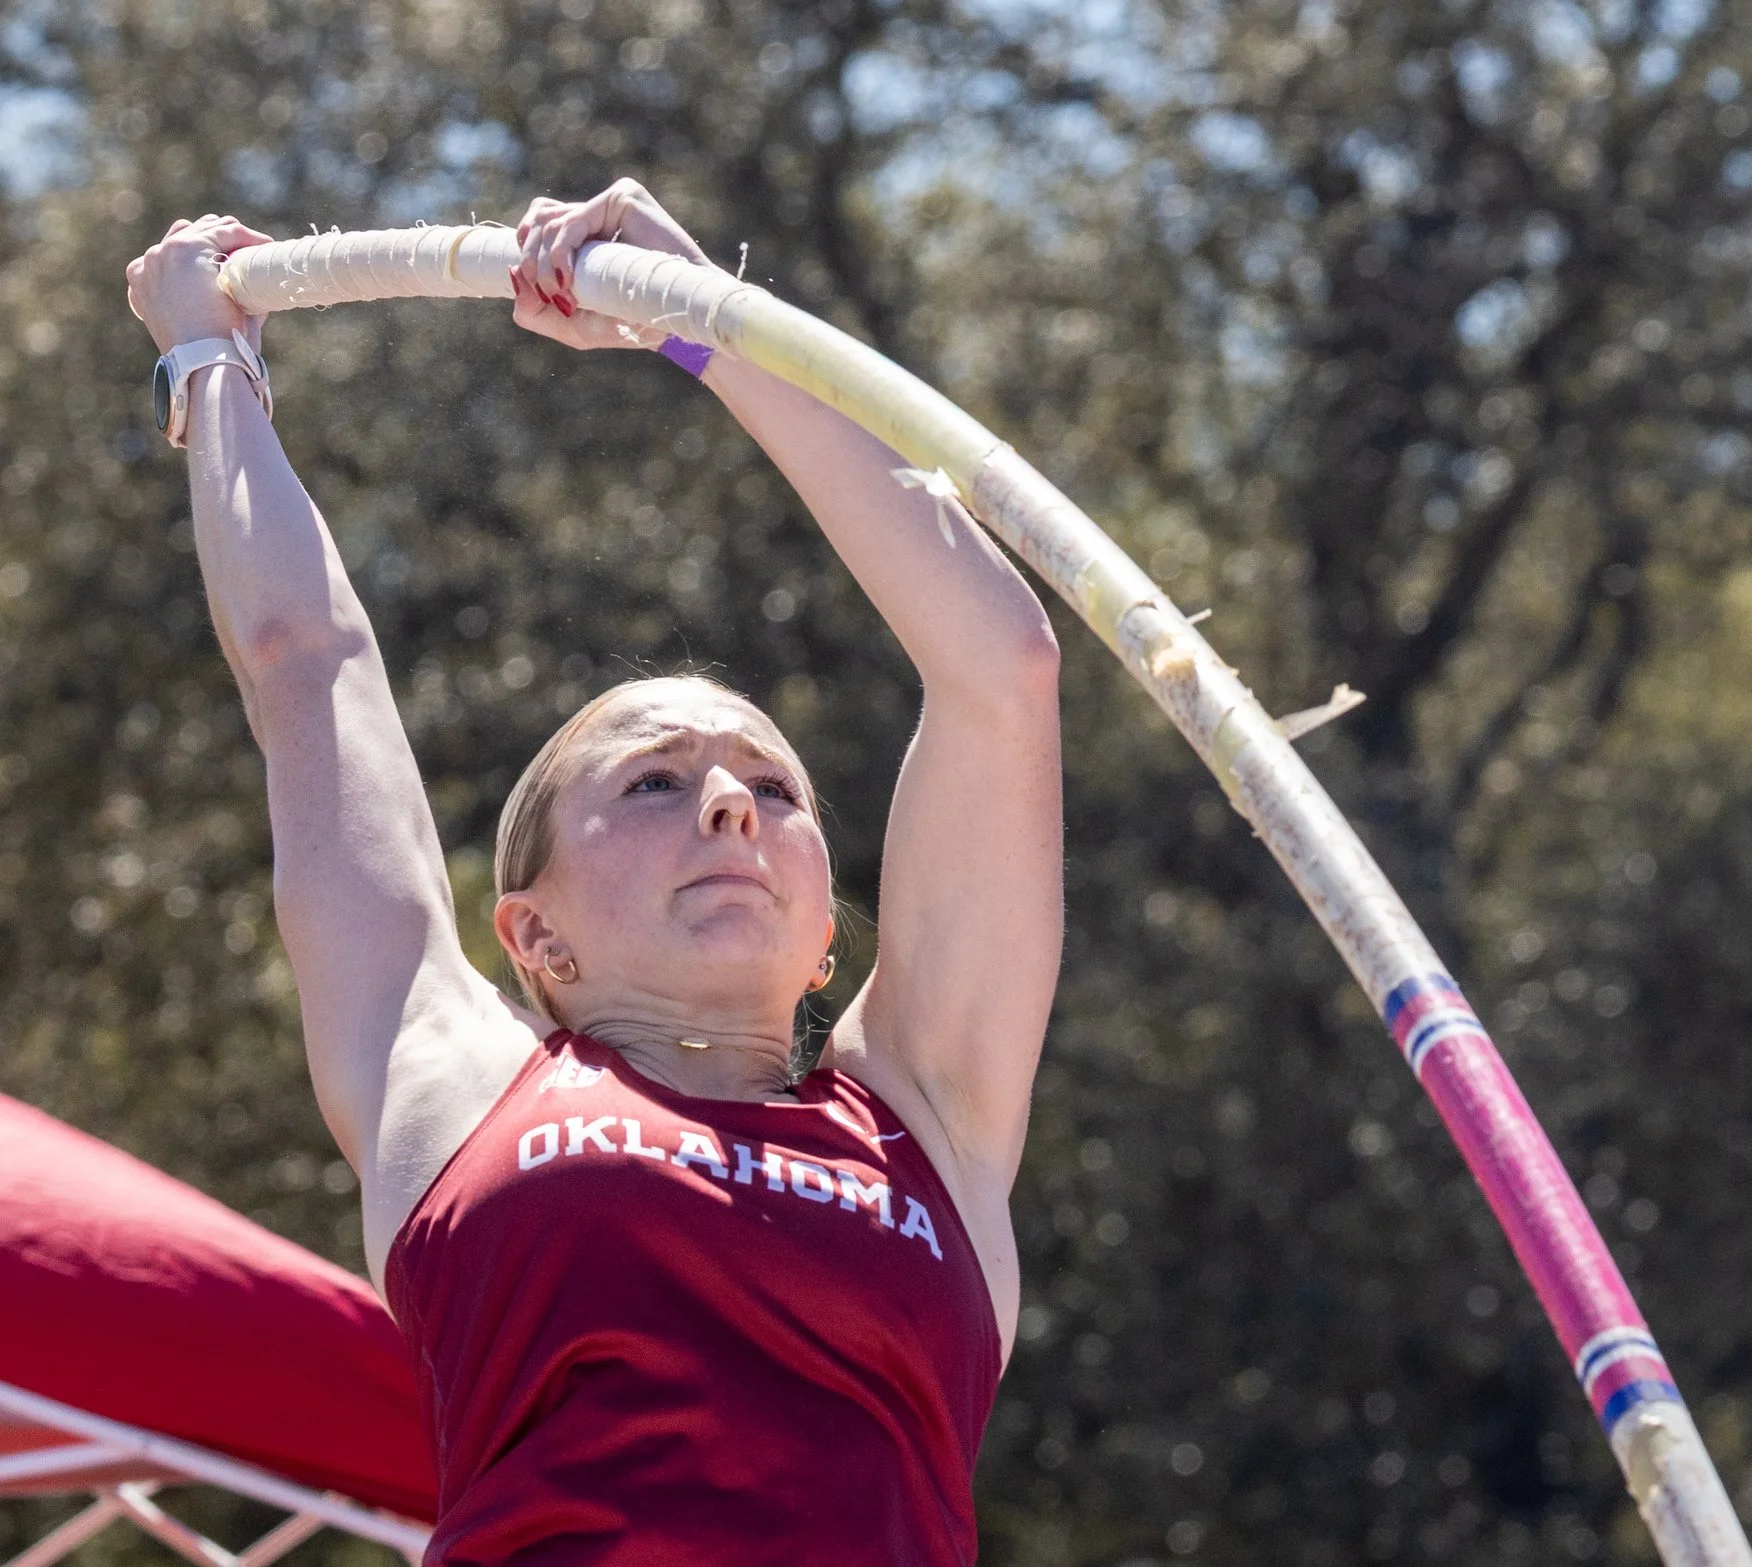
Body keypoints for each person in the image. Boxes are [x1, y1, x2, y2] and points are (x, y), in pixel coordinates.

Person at [122, 180, 1064, 1564]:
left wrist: (712, 322)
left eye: (774, 787)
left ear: (825, 938)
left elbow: (1003, 670)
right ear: (537, 935)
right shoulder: (448, 1077)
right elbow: (304, 667)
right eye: (655, 782)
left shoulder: (931, 1111)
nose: (732, 804)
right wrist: (208, 360)